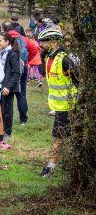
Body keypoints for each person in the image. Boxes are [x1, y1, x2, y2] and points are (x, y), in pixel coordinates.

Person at [38, 28, 78, 177]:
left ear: (52, 42)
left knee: (58, 137)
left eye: (43, 41)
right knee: (64, 136)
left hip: (68, 106)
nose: (40, 44)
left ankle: (50, 169)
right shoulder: (50, 58)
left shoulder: (64, 60)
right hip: (59, 107)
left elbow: (79, 81)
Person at [0, 32, 21, 137]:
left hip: (7, 87)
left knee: (7, 110)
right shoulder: (1, 53)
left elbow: (17, 73)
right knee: (0, 109)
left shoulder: (12, 54)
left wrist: (8, 87)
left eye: (0, 40)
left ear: (7, 42)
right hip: (0, 85)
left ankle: (7, 132)